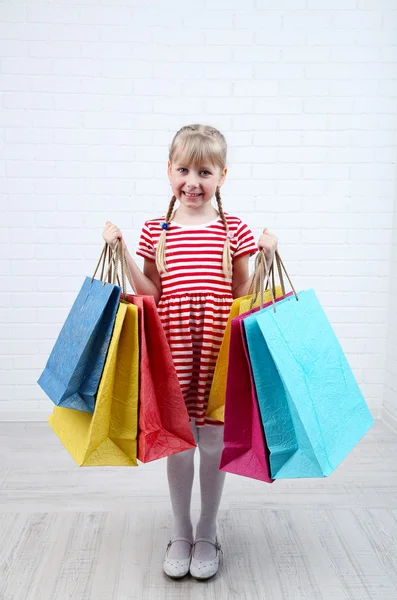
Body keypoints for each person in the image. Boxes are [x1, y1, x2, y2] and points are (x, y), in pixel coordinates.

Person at [102, 124, 277, 581]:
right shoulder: (155, 230)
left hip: (219, 347)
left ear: (222, 174)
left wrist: (264, 256)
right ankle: (180, 530)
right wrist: (120, 252)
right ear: (168, 171)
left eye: (204, 171)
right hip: (173, 345)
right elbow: (151, 292)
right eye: (183, 170)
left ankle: (207, 530)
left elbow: (242, 293)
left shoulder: (231, 228)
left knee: (213, 439)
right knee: (179, 441)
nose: (192, 181)